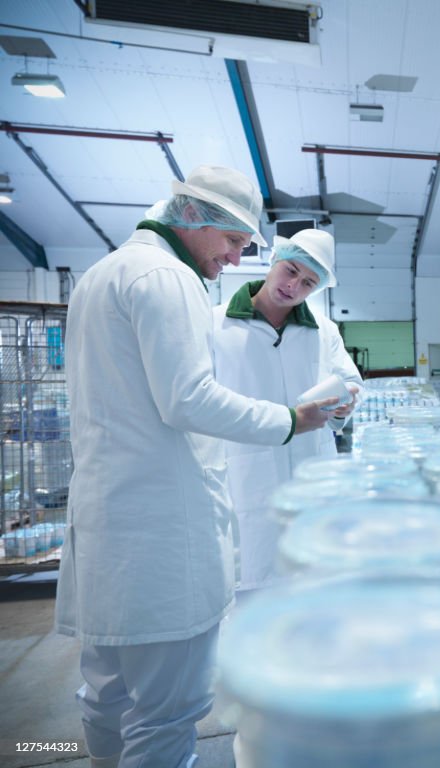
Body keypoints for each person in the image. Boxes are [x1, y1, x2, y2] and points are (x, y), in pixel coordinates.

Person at [55, 165, 338, 768]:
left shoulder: (102, 274)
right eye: (232, 240)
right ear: (192, 215)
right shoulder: (169, 279)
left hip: (108, 523)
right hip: (160, 530)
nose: (235, 258)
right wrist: (290, 420)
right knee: (167, 712)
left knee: (107, 693)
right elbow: (188, 399)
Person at [211, 228, 362, 590]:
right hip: (243, 472)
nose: (294, 286)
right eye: (291, 270)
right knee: (251, 580)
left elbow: (349, 380)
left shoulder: (323, 331)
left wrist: (345, 405)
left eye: (308, 282)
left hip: (311, 472)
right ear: (274, 260)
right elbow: (202, 402)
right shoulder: (215, 324)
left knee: (312, 581)